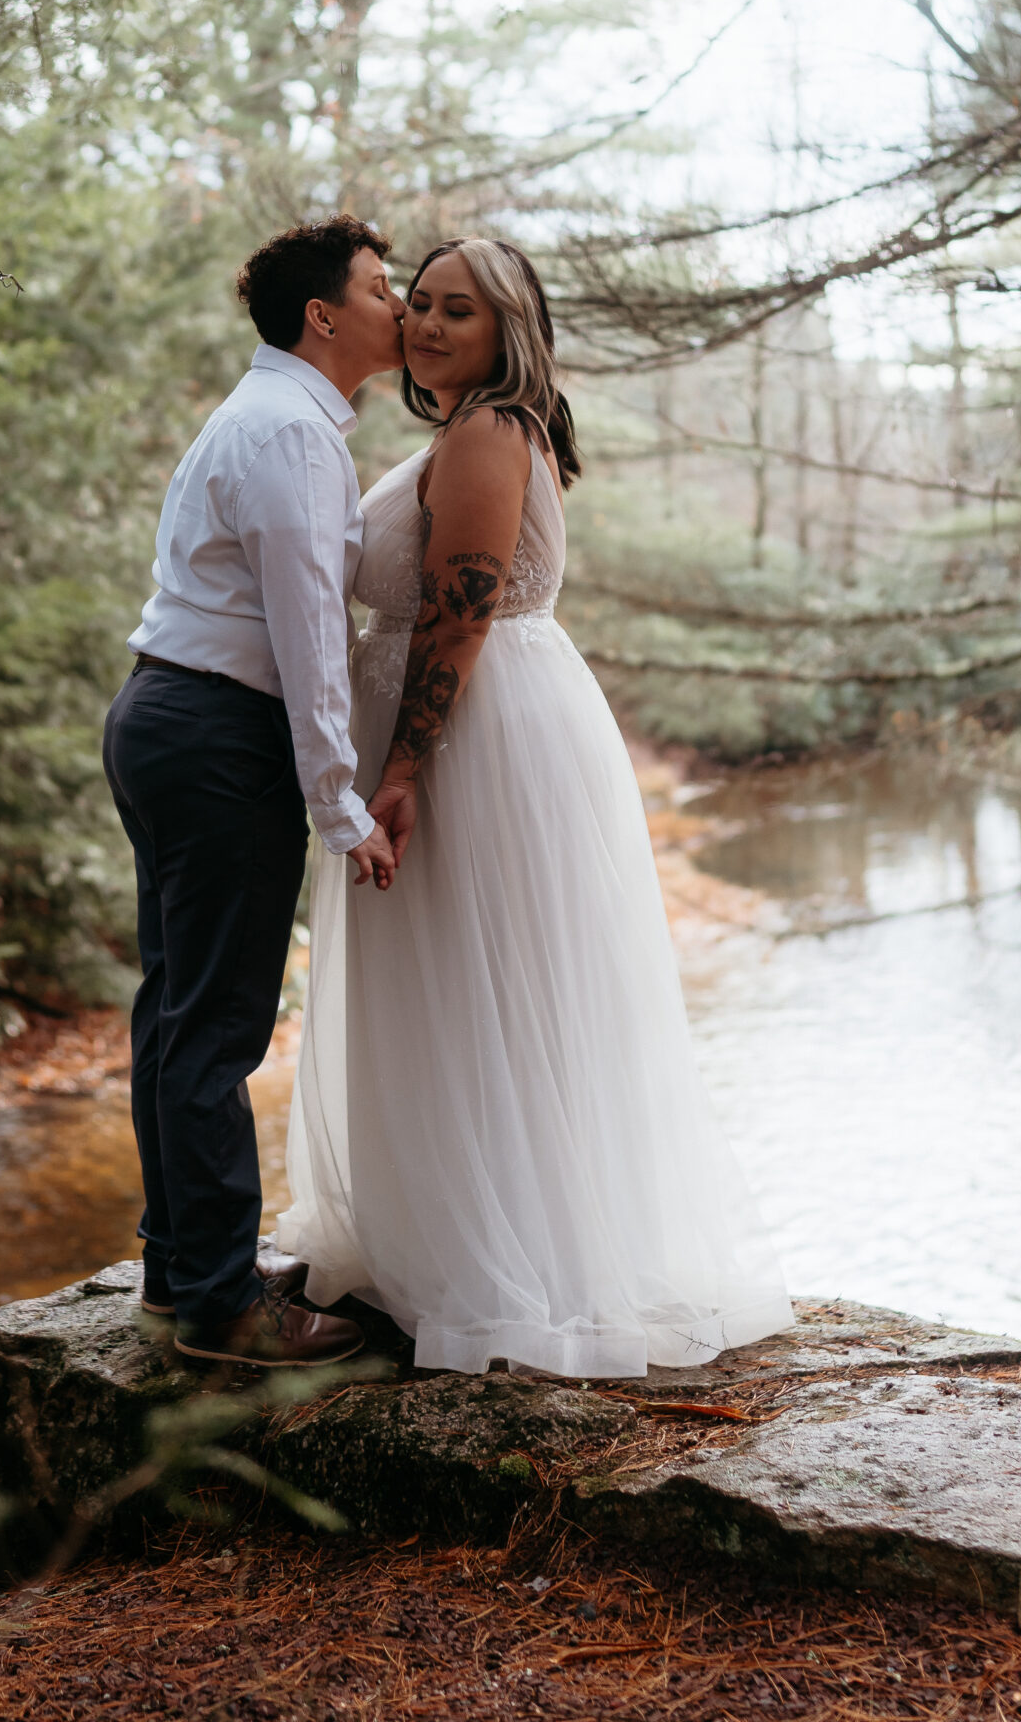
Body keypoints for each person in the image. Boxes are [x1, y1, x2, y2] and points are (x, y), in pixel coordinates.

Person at [281, 236, 793, 1377]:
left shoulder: (487, 432)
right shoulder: (465, 429)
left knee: (482, 984)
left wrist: (406, 768)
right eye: (416, 303)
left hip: (476, 737)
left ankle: (516, 1262)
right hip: (468, 723)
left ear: (508, 329)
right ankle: (451, 1232)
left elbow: (459, 610)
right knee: (454, 991)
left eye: (456, 310)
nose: (425, 324)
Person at [104, 216, 405, 1367]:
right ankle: (224, 1310)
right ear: (325, 316)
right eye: (383, 288)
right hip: (219, 732)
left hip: (176, 718)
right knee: (215, 1026)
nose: (400, 307)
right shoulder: (288, 434)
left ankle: (183, 1270)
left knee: (179, 1009)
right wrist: (343, 806)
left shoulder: (277, 417)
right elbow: (307, 639)